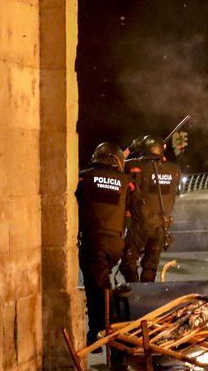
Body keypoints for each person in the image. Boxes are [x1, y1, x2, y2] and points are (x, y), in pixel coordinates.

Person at [76, 142, 134, 345]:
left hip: (94, 241)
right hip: (116, 243)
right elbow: (131, 211)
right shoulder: (126, 181)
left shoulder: (83, 177)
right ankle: (95, 334)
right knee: (94, 286)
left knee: (100, 289)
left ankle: (116, 339)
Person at [119, 134, 182, 282]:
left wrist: (131, 148)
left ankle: (134, 294)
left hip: (139, 225)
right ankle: (146, 295)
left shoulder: (134, 166)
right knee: (150, 265)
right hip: (162, 225)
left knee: (128, 263)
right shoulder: (174, 170)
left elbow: (114, 163)